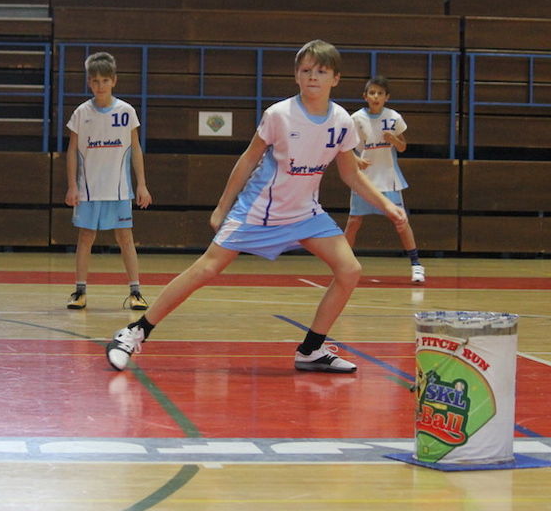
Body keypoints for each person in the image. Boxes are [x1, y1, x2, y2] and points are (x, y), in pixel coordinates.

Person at [107, 40, 408, 373]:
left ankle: (311, 350)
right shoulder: (279, 115)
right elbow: (248, 159)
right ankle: (134, 332)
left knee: (350, 270)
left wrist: (385, 204)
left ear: (335, 79)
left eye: (322, 71)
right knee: (206, 269)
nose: (313, 77)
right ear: (296, 75)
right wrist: (222, 207)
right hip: (259, 210)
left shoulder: (341, 121)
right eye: (306, 70)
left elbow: (350, 174)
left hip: (305, 213)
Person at [64, 52, 152, 311]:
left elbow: (135, 149)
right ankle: (80, 291)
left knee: (125, 238)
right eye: (95, 81)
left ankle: (135, 291)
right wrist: (72, 185)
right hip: (89, 190)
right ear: (88, 83)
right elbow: (71, 151)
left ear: (114, 80)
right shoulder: (81, 113)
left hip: (119, 189)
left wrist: (142, 184)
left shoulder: (126, 111)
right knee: (85, 237)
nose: (100, 85)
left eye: (104, 80)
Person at [342, 76, 425, 284]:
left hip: (388, 179)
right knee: (353, 222)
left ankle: (416, 264)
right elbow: (345, 147)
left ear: (387, 97)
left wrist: (393, 139)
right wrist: (356, 159)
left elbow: (403, 147)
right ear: (365, 96)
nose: (376, 96)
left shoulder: (394, 117)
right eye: (372, 93)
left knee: (401, 221)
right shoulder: (356, 119)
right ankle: (342, 264)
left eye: (380, 93)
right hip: (364, 179)